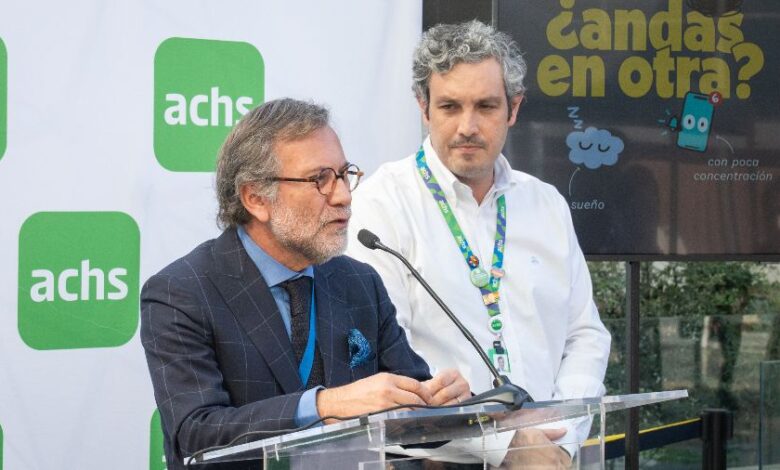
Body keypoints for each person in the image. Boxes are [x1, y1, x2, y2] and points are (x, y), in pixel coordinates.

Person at [141, 98, 470, 470]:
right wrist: (324, 405)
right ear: (255, 198)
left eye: (344, 175)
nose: (344, 196)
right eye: (320, 180)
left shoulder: (359, 282)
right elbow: (196, 435)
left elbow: (413, 411)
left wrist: (446, 405)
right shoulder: (181, 293)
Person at [347, 20, 611, 467]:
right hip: (432, 461)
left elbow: (585, 335)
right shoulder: (380, 204)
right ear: (423, 108)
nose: (467, 126)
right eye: (450, 106)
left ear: (513, 108)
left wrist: (560, 440)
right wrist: (507, 444)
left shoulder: (546, 203)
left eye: (486, 106)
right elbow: (384, 359)